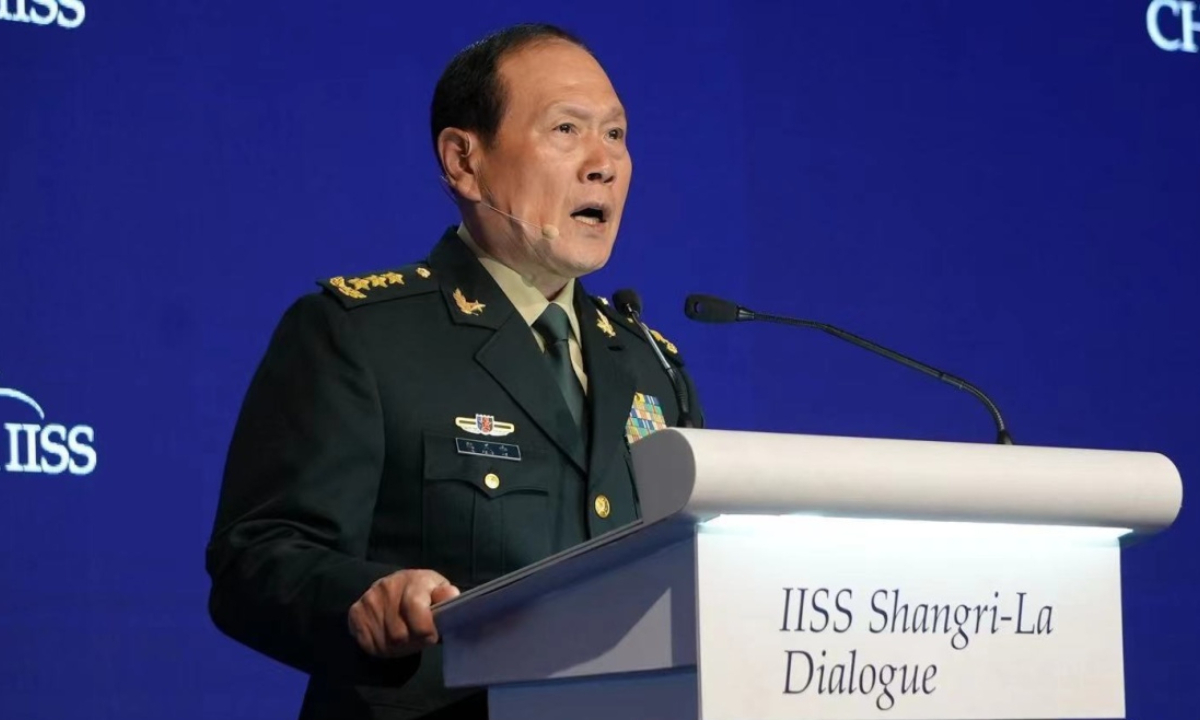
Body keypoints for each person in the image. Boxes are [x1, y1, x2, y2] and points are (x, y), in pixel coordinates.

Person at [205, 22, 703, 720]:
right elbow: (255, 558)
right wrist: (360, 599)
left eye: (616, 134)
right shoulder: (361, 335)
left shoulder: (651, 363)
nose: (604, 164)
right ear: (463, 161)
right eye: (567, 130)